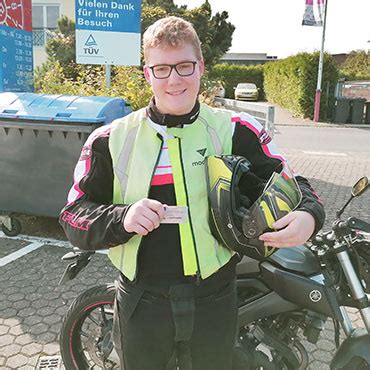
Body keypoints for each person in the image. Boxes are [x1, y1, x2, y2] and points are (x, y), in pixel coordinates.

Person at [59, 16, 325, 370]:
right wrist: (121, 217)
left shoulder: (235, 130)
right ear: (147, 73)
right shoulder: (111, 139)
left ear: (200, 67)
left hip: (215, 298)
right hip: (142, 302)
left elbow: (294, 186)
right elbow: (73, 214)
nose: (174, 79)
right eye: (162, 69)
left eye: (184, 66)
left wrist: (308, 215)